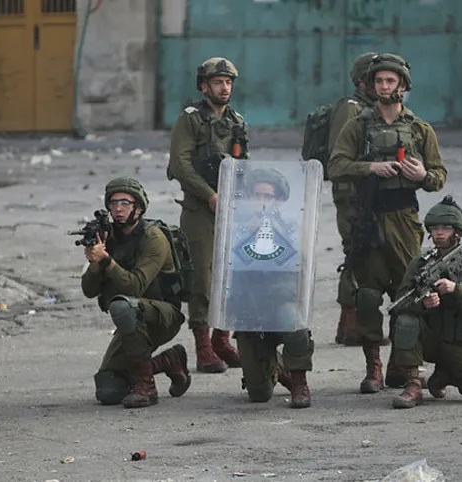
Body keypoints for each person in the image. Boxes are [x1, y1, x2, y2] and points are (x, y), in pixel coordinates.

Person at [328, 53, 448, 393]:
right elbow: (336, 165)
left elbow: (439, 175)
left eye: (390, 81)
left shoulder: (419, 129)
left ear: (403, 86)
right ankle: (373, 369)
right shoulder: (358, 125)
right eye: (379, 81)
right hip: (368, 218)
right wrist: (370, 168)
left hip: (404, 220)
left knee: (408, 295)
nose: (384, 86)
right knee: (367, 296)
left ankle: (403, 365)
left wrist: (423, 175)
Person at [166, 56, 246, 373]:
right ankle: (202, 344)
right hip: (199, 209)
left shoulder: (237, 122)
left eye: (228, 82)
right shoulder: (190, 120)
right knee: (201, 276)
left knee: (230, 275)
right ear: (204, 86)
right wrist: (209, 195)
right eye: (217, 82)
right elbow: (180, 165)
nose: (224, 88)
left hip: (231, 209)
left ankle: (222, 339)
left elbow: (243, 166)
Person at [82, 177, 191, 408]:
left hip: (162, 315)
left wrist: (107, 261)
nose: (118, 209)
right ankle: (169, 361)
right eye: (113, 203)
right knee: (108, 391)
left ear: (139, 208)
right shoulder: (109, 237)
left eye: (125, 203)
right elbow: (89, 291)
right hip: (130, 319)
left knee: (122, 304)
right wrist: (94, 263)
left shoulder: (153, 237)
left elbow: (134, 286)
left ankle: (146, 387)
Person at [391, 196, 462, 408]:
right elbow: (399, 304)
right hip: (428, 340)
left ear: (457, 232)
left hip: (460, 343)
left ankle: (445, 374)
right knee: (405, 321)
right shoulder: (420, 264)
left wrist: (456, 289)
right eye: (435, 228)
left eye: (446, 228)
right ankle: (413, 383)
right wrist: (423, 304)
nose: (439, 232)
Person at [226, 168, 314, 409]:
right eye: (257, 196)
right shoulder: (234, 227)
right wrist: (248, 229)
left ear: (278, 200)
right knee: (259, 393)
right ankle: (276, 367)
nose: (263, 202)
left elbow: (302, 261)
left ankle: (299, 382)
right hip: (250, 305)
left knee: (293, 321)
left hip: (280, 299)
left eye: (268, 196)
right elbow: (225, 263)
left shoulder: (290, 226)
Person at [330, 52, 382, 346]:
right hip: (352, 192)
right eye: (375, 78)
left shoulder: (371, 108)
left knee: (364, 252)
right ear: (362, 80)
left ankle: (347, 324)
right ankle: (351, 323)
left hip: (369, 191)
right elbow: (340, 156)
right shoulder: (350, 109)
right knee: (356, 252)